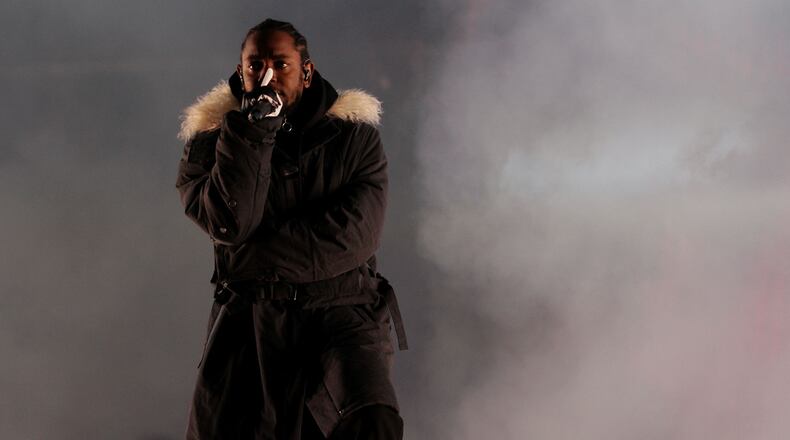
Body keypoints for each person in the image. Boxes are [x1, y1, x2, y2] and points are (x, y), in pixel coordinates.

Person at [175, 18, 407, 440]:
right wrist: (252, 132)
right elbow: (229, 221)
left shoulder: (354, 140)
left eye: (280, 64)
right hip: (249, 331)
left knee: (370, 421)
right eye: (255, 64)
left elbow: (351, 239)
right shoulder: (211, 141)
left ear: (306, 70)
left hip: (340, 320)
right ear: (241, 69)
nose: (266, 75)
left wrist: (247, 258)